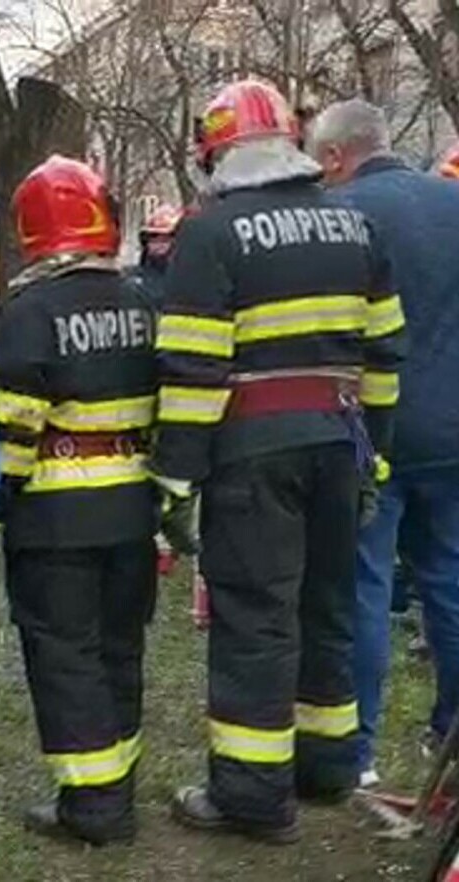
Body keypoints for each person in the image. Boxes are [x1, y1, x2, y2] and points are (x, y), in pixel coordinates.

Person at [153, 80, 405, 843]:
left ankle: (252, 797)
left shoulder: (211, 232)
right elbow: (385, 350)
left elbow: (194, 368)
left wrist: (175, 479)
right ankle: (326, 766)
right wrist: (376, 454)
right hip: (340, 441)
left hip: (253, 453)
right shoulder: (352, 224)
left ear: (220, 153)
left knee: (255, 620)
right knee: (326, 604)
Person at [0, 156, 158, 845]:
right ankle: (118, 785)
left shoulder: (28, 311)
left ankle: (93, 806)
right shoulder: (144, 302)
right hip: (132, 513)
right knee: (120, 650)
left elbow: (13, 432)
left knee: (66, 656)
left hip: (55, 519)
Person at [309, 99, 459, 787]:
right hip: (455, 430)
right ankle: (449, 738)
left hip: (371, 426)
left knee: (362, 585)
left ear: (337, 156)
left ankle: (355, 752)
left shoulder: (339, 218)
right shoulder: (452, 203)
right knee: (451, 583)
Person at [127, 203, 183, 308]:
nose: (158, 244)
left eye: (166, 239)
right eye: (153, 237)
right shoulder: (133, 279)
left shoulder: (188, 279)